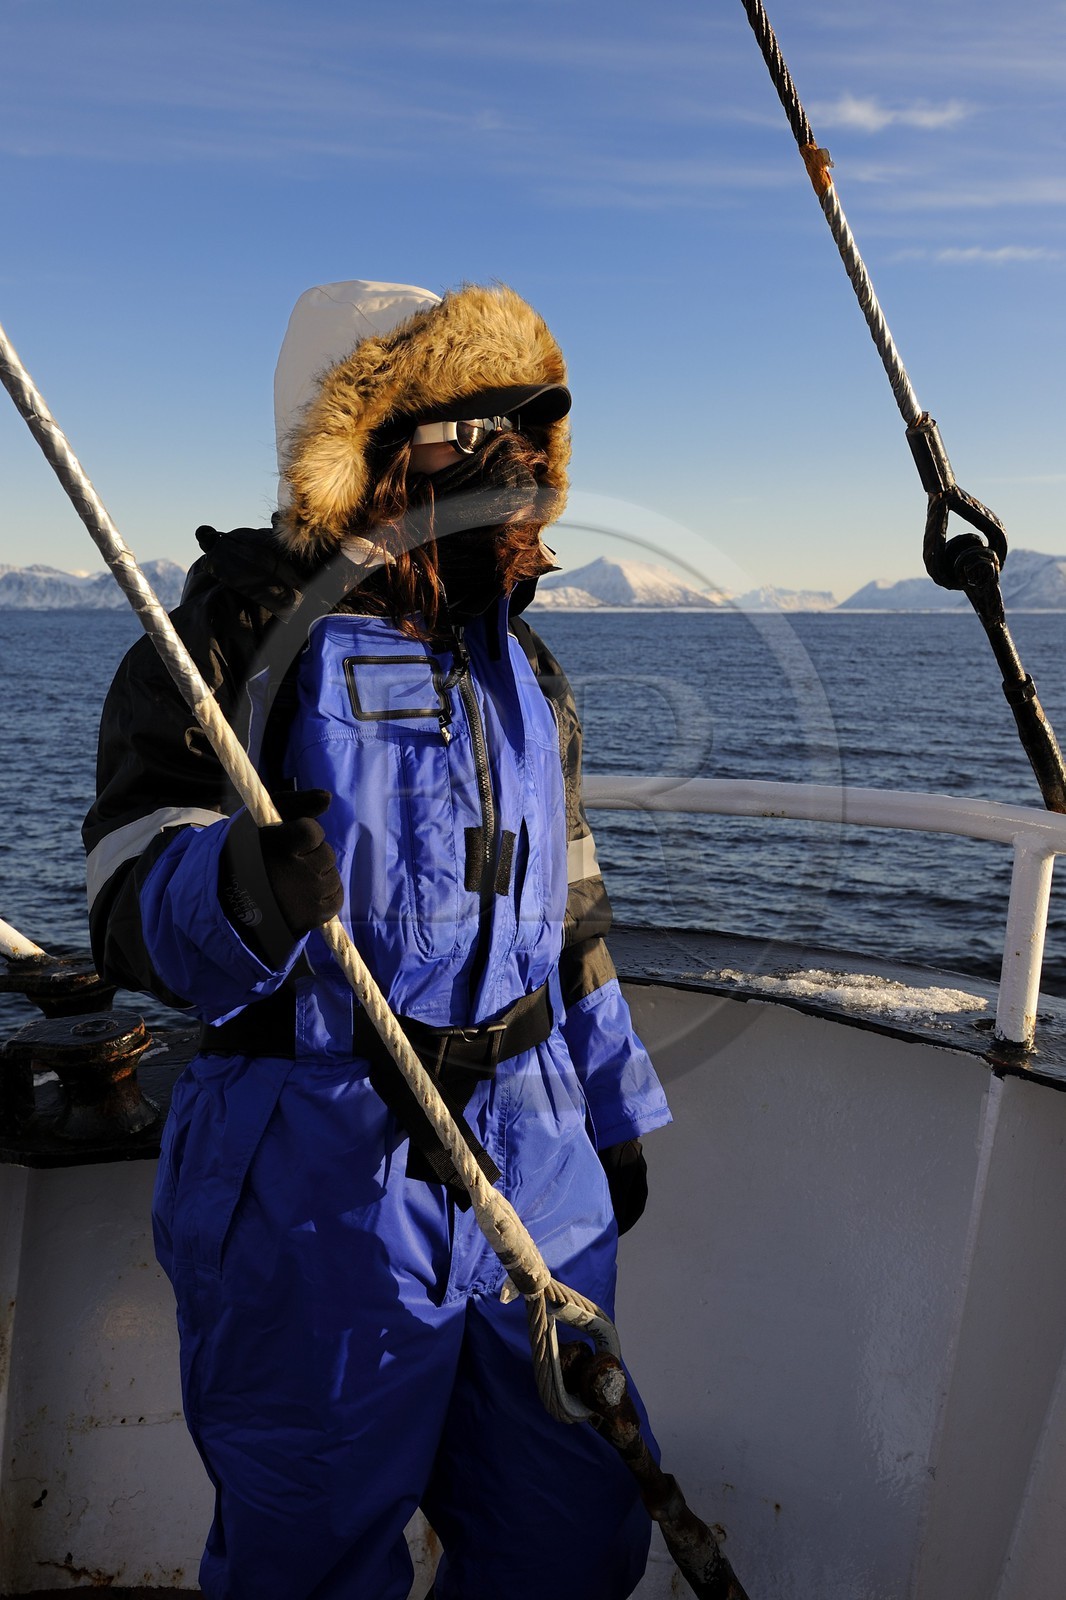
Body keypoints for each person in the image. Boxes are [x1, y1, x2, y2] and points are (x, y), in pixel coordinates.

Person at [83, 280, 671, 1600]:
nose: (516, 468)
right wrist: (231, 888)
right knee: (314, 1548)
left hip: (536, 1162)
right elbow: (122, 889)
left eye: (533, 436)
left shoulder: (530, 670)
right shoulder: (237, 640)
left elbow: (569, 908)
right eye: (479, 431)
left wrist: (610, 1109)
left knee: (569, 1530)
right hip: (320, 1177)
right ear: (365, 445)